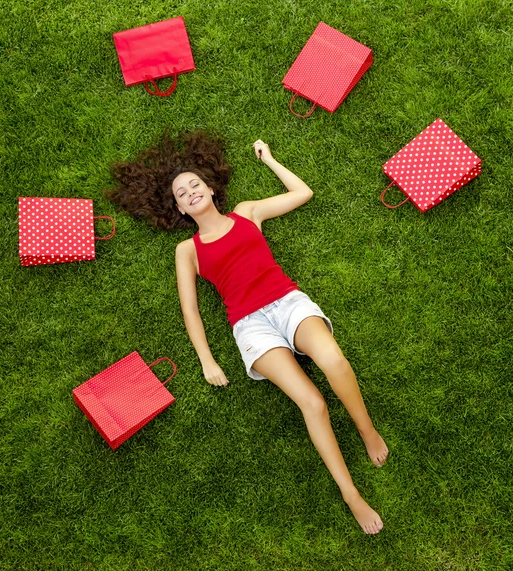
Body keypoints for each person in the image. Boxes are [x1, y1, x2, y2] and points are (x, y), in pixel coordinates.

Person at [106, 130, 388, 534]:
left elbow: (302, 192)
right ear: (181, 210)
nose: (189, 193)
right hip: (250, 326)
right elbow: (191, 311)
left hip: (287, 302)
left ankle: (366, 429)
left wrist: (269, 159)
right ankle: (351, 495)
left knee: (333, 360)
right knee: (312, 404)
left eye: (194, 185)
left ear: (209, 188)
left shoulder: (247, 211)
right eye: (181, 194)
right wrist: (206, 359)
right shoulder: (187, 250)